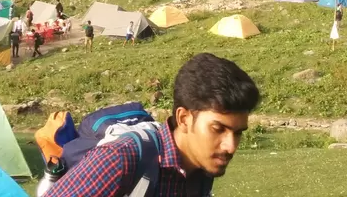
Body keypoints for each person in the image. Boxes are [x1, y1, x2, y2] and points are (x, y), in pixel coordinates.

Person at [46, 53, 259, 197]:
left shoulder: (201, 172)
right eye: (218, 129)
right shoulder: (121, 158)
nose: (230, 146)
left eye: (238, 133)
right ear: (184, 118)